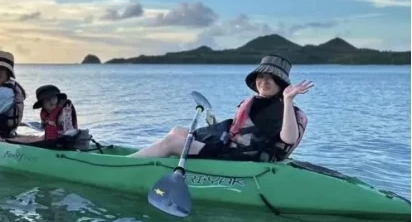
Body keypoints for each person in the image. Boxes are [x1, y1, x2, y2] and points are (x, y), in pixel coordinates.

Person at [129, 55, 313, 162]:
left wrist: (288, 100)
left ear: (279, 84)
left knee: (171, 141)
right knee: (177, 131)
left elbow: (289, 138)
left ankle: (123, 165)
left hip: (244, 156)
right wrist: (216, 126)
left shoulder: (282, 106)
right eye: (261, 77)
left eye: (270, 78)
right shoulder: (259, 102)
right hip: (231, 146)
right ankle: (158, 161)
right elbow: (243, 131)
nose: (263, 82)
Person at [7, 84, 80, 148]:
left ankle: (8, 139)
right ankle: (6, 139)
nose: (52, 102)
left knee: (29, 141)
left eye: (54, 98)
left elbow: (68, 131)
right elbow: (45, 127)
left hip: (65, 140)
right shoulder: (44, 113)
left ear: (58, 98)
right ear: (42, 104)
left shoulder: (66, 108)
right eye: (48, 99)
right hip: (51, 138)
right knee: (24, 138)